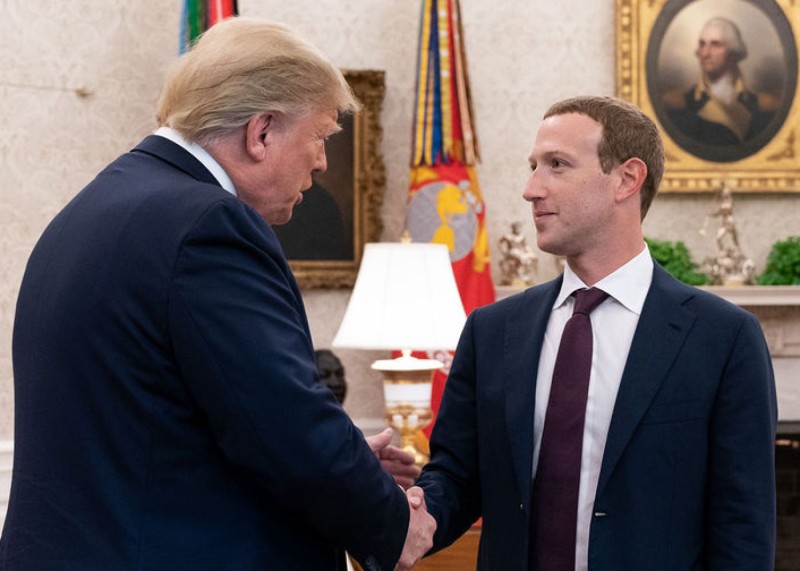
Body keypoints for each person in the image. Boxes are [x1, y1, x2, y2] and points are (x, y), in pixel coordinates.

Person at [0, 17, 434, 570]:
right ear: (262, 132)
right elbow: (287, 429)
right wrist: (392, 525)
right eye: (321, 136)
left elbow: (172, 421)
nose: (323, 161)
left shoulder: (94, 207)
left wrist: (345, 462)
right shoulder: (208, 225)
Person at [416, 95, 777, 569]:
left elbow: (743, 530)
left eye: (557, 165)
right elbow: (456, 478)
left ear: (627, 179)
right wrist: (404, 513)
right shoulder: (492, 330)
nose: (530, 189)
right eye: (533, 167)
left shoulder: (723, 338)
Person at [666, 17, 776, 147]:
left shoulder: (762, 106)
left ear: (733, 52)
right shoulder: (680, 105)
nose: (705, 53)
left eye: (715, 44)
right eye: (702, 44)